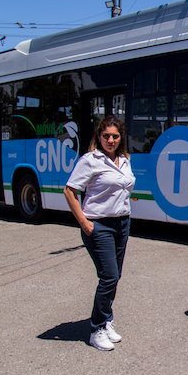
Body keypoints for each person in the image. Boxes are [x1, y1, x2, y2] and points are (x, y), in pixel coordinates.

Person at [64, 116, 136, 352]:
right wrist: (84, 222)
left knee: (115, 277)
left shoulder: (125, 159)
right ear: (99, 136)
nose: (111, 140)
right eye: (106, 136)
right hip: (99, 226)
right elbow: (70, 190)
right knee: (109, 277)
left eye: (115, 136)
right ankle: (96, 329)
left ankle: (106, 320)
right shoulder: (90, 160)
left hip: (122, 224)